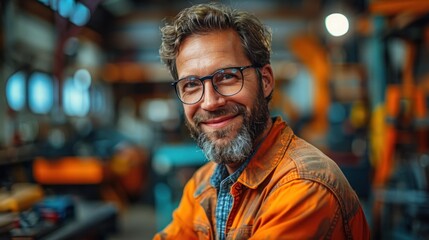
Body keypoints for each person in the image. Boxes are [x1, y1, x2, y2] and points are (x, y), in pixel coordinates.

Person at [154, 2, 370, 239]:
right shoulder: (203, 183)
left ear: (265, 81)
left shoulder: (305, 186)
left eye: (227, 76)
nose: (209, 102)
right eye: (192, 85)